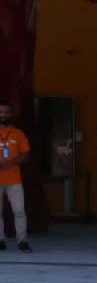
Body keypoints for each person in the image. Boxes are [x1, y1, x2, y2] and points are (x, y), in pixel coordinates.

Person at [0, 102, 32, 253]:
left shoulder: (18, 134)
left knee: (19, 211)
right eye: (1, 112)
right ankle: (0, 241)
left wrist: (11, 163)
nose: (3, 115)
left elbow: (26, 155)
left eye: (6, 112)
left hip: (14, 180)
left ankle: (22, 241)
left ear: (10, 114)